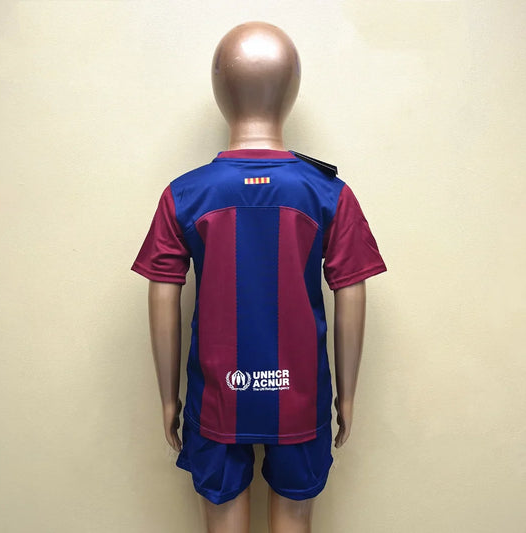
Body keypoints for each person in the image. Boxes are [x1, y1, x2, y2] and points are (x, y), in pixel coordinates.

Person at [131, 21, 387, 533]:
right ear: (289, 90)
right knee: (294, 518)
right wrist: (347, 396)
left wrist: (168, 399)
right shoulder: (327, 193)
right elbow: (351, 294)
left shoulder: (185, 194)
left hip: (215, 397)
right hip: (301, 397)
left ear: (222, 91)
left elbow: (162, 297)